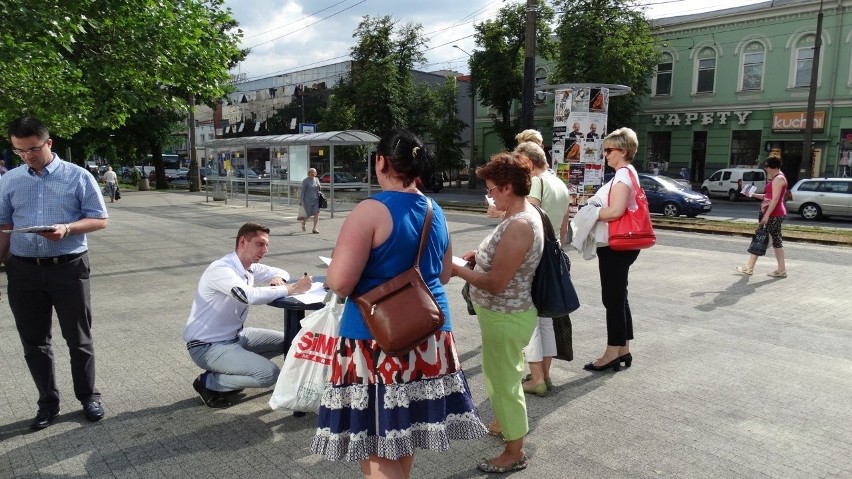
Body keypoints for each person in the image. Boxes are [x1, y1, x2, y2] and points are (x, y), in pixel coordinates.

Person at [312, 129, 485, 478]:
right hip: (430, 332)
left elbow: (341, 282)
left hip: (375, 338)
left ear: (381, 161)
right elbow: (443, 272)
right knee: (399, 435)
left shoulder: (370, 210)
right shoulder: (435, 210)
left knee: (378, 440)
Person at [0, 116, 109, 430]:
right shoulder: (10, 180)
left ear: (48, 143)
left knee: (78, 338)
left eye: (32, 148)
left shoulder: (78, 177)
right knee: (34, 343)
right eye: (19, 151)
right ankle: (48, 403)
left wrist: (67, 228)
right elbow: (5, 227)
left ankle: (89, 397)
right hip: (22, 271)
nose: (26, 156)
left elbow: (100, 219)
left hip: (68, 268)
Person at [452, 151, 544, 473]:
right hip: (502, 315)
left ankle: (514, 451)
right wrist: (477, 256)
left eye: (491, 189)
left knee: (505, 382)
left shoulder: (520, 223)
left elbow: (495, 282)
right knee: (499, 375)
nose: (489, 195)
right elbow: (501, 262)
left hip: (506, 315)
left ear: (507, 187)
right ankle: (506, 424)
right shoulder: (516, 214)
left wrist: (456, 268)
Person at [183, 222, 313, 409]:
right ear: (243, 241)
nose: (265, 249)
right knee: (268, 375)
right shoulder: (221, 269)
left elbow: (279, 271)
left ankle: (233, 370)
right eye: (260, 244)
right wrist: (291, 288)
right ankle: (209, 382)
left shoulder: (249, 267)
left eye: (267, 245)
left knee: (293, 342)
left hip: (236, 337)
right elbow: (246, 295)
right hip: (207, 346)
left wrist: (279, 280)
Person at [584, 127, 643, 373]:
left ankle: (611, 352)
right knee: (620, 297)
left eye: (609, 150)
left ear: (624, 151)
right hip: (622, 244)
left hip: (615, 245)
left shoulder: (622, 177)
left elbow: (616, 211)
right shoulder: (629, 173)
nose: (605, 154)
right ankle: (623, 349)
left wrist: (591, 212)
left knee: (612, 300)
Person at [514, 142, 571, 398]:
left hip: (537, 255)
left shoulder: (536, 182)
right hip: (554, 254)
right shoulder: (559, 183)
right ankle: (544, 375)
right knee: (546, 319)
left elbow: (530, 217)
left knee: (531, 319)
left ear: (528, 163)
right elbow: (563, 227)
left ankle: (535, 378)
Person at [737, 156, 788, 278]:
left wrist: (766, 215)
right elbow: (769, 196)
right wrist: (752, 194)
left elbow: (775, 199)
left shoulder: (778, 179)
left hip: (773, 213)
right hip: (775, 213)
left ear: (772, 167)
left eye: (766, 166)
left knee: (764, 238)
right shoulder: (777, 178)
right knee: (772, 240)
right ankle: (780, 269)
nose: (765, 168)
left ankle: (751, 267)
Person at [299, 168, 321, 233]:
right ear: (309, 173)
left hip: (316, 199)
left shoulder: (316, 179)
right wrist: (301, 200)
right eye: (311, 172)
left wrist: (319, 186)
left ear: (316, 173)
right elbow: (302, 191)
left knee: (316, 213)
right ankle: (303, 222)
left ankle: (314, 228)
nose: (313, 173)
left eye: (314, 172)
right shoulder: (305, 181)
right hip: (307, 200)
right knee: (308, 215)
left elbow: (319, 187)